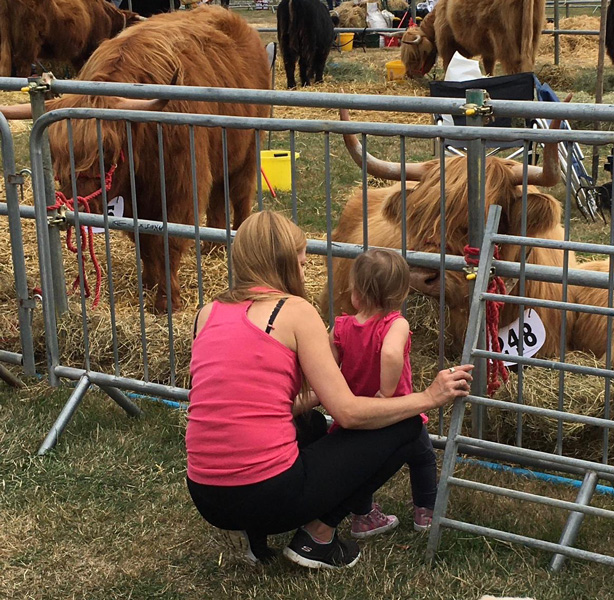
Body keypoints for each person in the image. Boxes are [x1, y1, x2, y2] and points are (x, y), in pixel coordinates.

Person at [186, 210, 473, 569]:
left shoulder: (206, 312)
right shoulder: (293, 310)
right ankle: (317, 538)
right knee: (406, 425)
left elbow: (256, 404)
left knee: (313, 426)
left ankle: (252, 536)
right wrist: (429, 397)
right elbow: (349, 414)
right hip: (269, 493)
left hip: (205, 494)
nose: (304, 274)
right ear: (284, 265)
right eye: (303, 265)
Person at [329, 249, 438, 539]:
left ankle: (363, 517)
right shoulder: (396, 324)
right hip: (397, 412)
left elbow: (327, 364)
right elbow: (390, 352)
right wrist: (386, 392)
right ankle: (426, 512)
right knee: (423, 458)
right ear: (401, 294)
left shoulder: (341, 327)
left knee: (360, 467)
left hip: (355, 411)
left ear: (356, 293)